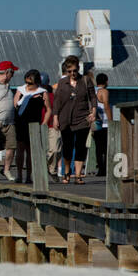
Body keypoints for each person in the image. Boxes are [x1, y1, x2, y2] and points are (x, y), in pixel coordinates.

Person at [52, 55, 98, 184]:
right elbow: (57, 102)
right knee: (67, 146)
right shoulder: (62, 82)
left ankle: (78, 175)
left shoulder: (85, 80)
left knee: (80, 146)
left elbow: (93, 97)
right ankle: (67, 172)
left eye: (75, 70)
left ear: (78, 69)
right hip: (65, 118)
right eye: (69, 71)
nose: (72, 73)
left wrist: (93, 111)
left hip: (82, 117)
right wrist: (55, 118)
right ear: (66, 71)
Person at [13, 70, 49, 183]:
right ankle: (19, 174)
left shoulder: (42, 92)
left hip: (34, 124)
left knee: (30, 151)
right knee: (20, 149)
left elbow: (48, 110)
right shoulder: (20, 90)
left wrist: (44, 123)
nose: (28, 85)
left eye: (30, 83)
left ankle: (29, 176)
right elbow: (15, 105)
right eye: (27, 82)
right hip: (21, 123)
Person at [94, 73, 111, 176]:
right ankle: (104, 168)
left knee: (98, 148)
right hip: (104, 123)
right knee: (106, 147)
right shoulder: (104, 91)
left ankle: (100, 168)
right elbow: (106, 106)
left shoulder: (93, 91)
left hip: (96, 122)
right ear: (106, 81)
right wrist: (111, 120)